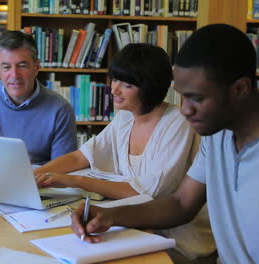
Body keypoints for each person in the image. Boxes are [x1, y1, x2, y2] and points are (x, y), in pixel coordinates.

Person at [71, 24, 259, 264]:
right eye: (182, 96)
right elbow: (182, 203)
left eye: (197, 98)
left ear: (240, 89)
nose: (184, 109)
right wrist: (109, 215)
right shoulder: (218, 133)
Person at [35, 43, 215, 262]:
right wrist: (34, 178)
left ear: (149, 87)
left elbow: (148, 194)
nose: (114, 90)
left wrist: (75, 180)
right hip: (135, 227)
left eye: (127, 84)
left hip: (177, 240)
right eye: (115, 79)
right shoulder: (125, 117)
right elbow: (79, 157)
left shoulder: (178, 122)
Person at [0, 30, 77, 165]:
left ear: (36, 67)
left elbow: (62, 170)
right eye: (6, 67)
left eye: (22, 66)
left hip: (37, 183)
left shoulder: (60, 109)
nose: (14, 75)